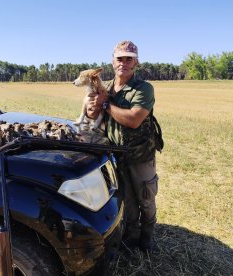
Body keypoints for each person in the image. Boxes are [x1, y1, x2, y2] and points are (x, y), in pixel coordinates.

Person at [87, 40, 161, 251]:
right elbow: (93, 116)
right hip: (116, 156)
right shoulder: (105, 87)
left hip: (140, 155)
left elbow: (134, 119)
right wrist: (93, 107)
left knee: (146, 199)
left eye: (129, 58)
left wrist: (106, 104)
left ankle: (147, 238)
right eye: (120, 58)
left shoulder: (143, 88)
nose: (124, 63)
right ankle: (129, 237)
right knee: (126, 200)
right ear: (113, 62)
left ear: (136, 62)